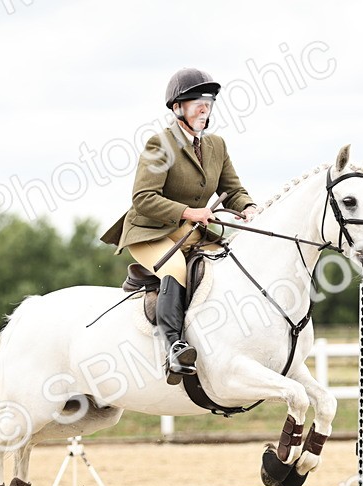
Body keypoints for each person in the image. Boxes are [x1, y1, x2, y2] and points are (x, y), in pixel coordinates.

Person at [102, 68, 258, 382]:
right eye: (197, 103)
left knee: (231, 262)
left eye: (208, 103)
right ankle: (174, 347)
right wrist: (190, 212)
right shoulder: (160, 145)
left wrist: (250, 207)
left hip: (190, 232)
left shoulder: (217, 146)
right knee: (175, 268)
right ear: (177, 108)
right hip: (150, 231)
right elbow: (143, 198)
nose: (205, 108)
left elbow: (234, 190)